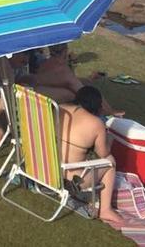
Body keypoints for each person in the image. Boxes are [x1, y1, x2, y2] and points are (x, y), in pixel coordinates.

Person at [60, 86, 122, 224]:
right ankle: (106, 210)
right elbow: (103, 153)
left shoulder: (59, 107)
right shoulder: (96, 123)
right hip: (70, 180)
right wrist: (109, 140)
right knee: (110, 162)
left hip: (45, 169)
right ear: (97, 106)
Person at [33, 43, 121, 115]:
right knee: (80, 91)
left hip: (41, 93)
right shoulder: (61, 68)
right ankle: (106, 110)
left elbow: (62, 81)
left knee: (86, 82)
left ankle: (107, 108)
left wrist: (88, 79)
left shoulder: (46, 63)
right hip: (48, 101)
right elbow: (83, 91)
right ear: (65, 52)